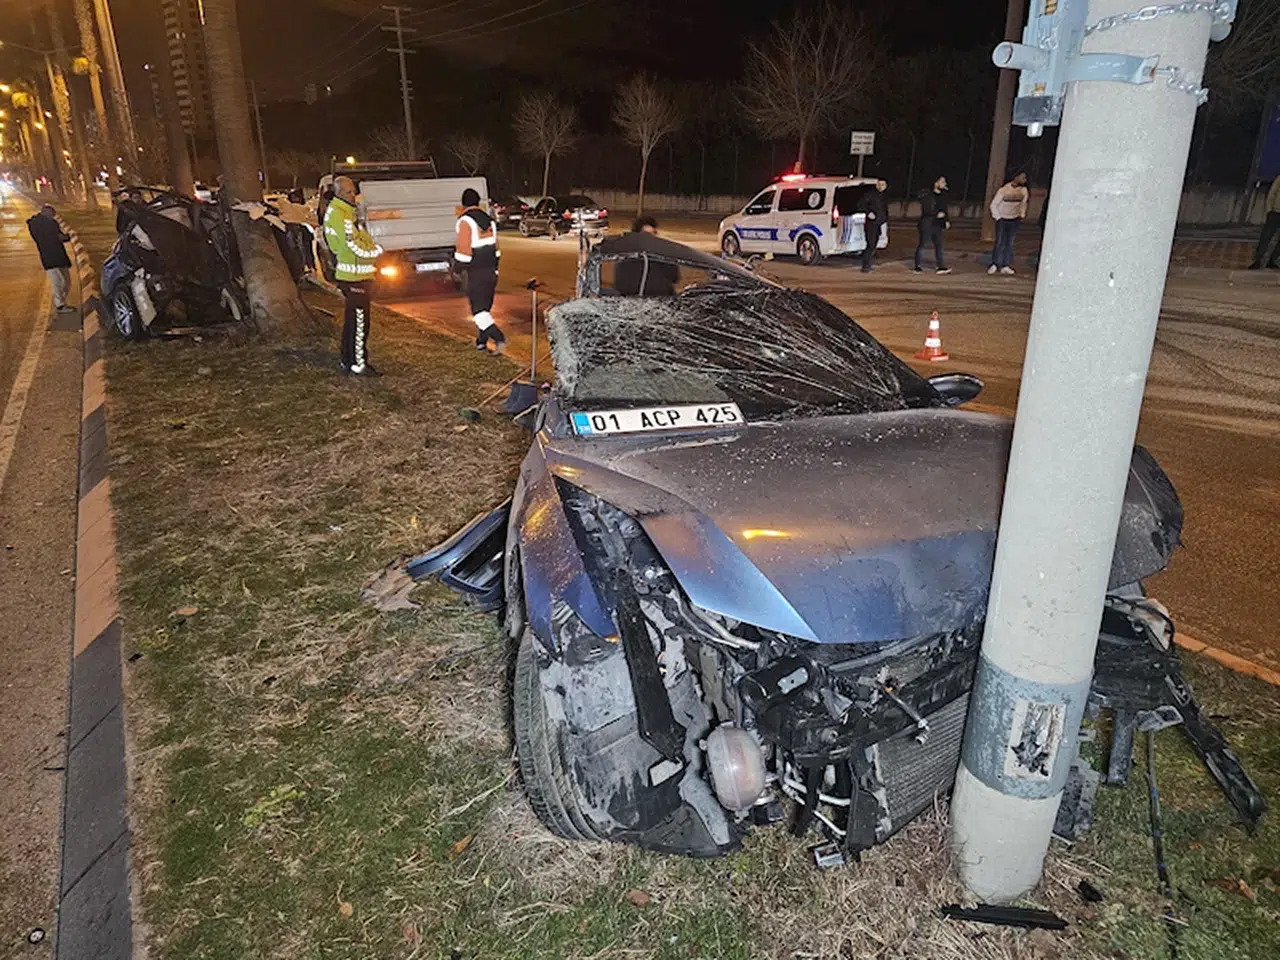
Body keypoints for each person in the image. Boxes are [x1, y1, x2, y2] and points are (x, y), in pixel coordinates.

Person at [322, 175, 382, 376]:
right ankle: (358, 364)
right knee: (359, 323)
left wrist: (370, 247)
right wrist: (374, 252)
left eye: (353, 191)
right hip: (354, 277)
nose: (353, 195)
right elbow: (353, 245)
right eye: (348, 191)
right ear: (339, 193)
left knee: (353, 322)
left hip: (356, 276)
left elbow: (363, 239)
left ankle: (348, 360)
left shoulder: (346, 213)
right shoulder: (341, 215)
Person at [455, 188, 506, 352]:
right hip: (491, 271)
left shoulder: (465, 221)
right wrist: (496, 269)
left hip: (476, 273)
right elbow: (496, 249)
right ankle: (481, 342)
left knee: (478, 312)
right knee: (485, 308)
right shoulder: (490, 221)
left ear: (464, 204)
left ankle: (499, 338)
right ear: (477, 202)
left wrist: (457, 268)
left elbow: (464, 253)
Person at [27, 203, 76, 312]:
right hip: (51, 256)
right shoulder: (42, 224)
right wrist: (67, 237)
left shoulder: (41, 223)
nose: (53, 216)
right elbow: (57, 237)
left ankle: (61, 303)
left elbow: (57, 236)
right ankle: (60, 305)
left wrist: (64, 237)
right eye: (52, 214)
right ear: (46, 213)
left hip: (55, 255)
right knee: (59, 281)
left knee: (64, 281)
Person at [614, 216, 680, 295]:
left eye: (654, 233)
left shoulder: (665, 256)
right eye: (647, 235)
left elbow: (675, 277)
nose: (651, 238)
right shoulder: (626, 258)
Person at [988, 172, 1029, 275]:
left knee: (1010, 243)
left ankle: (1005, 265)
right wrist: (998, 217)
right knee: (999, 242)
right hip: (1002, 219)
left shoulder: (1023, 190)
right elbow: (993, 204)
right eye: (1022, 177)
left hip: (1014, 219)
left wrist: (1021, 215)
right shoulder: (1004, 190)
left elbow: (1024, 203)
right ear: (1016, 177)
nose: (1024, 180)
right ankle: (995, 264)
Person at [914, 176, 952, 275]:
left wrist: (946, 220)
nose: (944, 184)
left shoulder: (943, 196)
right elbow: (926, 210)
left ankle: (941, 266)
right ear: (936, 183)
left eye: (944, 182)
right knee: (922, 245)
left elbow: (944, 209)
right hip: (927, 223)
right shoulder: (928, 196)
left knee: (939, 246)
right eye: (942, 181)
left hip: (937, 224)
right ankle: (917, 266)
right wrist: (936, 214)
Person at [856, 180, 889, 273]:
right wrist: (868, 212)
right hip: (871, 224)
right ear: (876, 185)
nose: (881, 186)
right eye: (879, 184)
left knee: (874, 245)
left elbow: (884, 209)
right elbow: (860, 205)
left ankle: (868, 264)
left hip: (879, 224)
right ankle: (865, 266)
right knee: (870, 245)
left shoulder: (884, 196)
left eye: (883, 184)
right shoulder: (870, 194)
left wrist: (884, 219)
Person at [1248, 177, 1280, 270]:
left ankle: (1273, 260)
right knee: (1266, 237)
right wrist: (1269, 210)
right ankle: (1258, 260)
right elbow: (1272, 193)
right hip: (1275, 212)